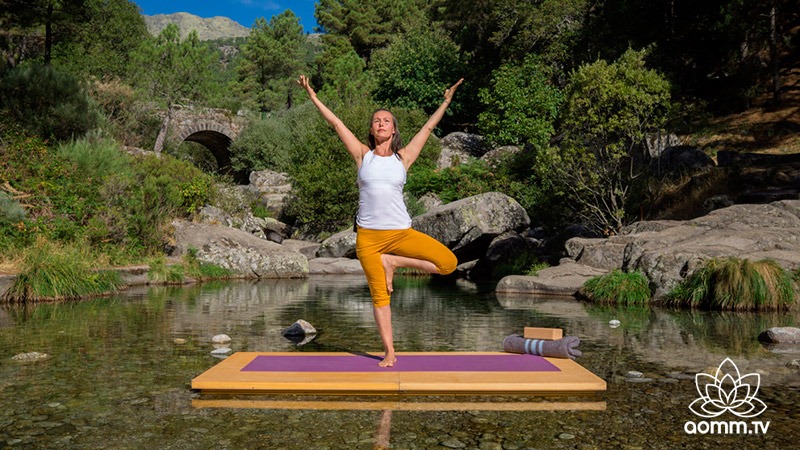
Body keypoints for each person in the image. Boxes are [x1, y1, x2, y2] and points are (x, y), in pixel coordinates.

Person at [297, 74, 463, 367]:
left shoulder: (404, 158)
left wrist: (445, 102)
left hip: (401, 234)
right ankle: (389, 351)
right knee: (379, 298)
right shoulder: (363, 156)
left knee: (448, 264)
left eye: (386, 120)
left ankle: (393, 262)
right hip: (369, 239)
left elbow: (427, 127)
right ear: (372, 130)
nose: (381, 123)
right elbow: (336, 124)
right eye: (377, 121)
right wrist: (312, 96)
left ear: (394, 129)